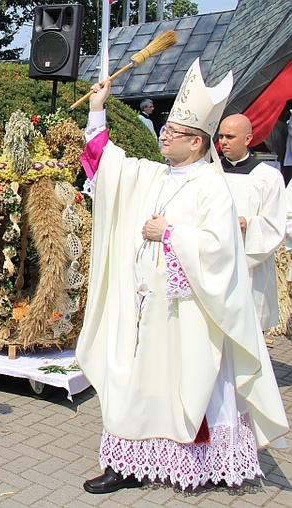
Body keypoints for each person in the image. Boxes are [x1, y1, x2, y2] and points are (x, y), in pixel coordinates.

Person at [76, 59, 288, 493]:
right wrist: (98, 108)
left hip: (190, 313)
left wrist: (169, 234)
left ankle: (198, 462)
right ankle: (127, 463)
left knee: (187, 387)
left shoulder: (212, 187)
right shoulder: (155, 175)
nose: (164, 134)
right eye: (166, 128)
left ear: (196, 143)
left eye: (174, 131)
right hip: (145, 309)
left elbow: (220, 251)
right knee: (135, 383)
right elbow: (108, 165)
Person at [219, 114, 285, 332]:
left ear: (247, 139)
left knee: (247, 329)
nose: (224, 142)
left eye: (230, 136)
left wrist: (248, 222)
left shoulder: (268, 176)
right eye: (220, 137)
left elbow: (275, 224)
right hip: (216, 259)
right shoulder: (211, 172)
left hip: (250, 261)